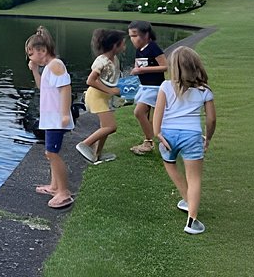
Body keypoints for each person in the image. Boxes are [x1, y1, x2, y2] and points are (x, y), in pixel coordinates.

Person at [152, 46, 216, 234]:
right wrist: (208, 138)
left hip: (168, 135)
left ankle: (187, 199)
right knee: (194, 178)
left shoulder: (165, 86)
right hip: (192, 136)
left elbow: (158, 113)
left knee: (170, 164)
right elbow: (211, 120)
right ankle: (192, 221)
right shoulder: (204, 90)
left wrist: (157, 133)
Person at [26, 26, 75, 209]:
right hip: (50, 117)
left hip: (56, 117)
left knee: (51, 153)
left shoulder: (56, 65)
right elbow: (43, 88)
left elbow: (65, 88)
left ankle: (64, 192)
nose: (29, 57)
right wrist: (35, 71)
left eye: (31, 53)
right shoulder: (48, 67)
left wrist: (64, 114)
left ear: (42, 51)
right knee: (50, 153)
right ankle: (54, 186)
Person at [76, 29, 127, 163]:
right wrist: (110, 91)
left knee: (105, 127)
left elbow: (112, 79)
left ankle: (96, 154)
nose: (125, 46)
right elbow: (90, 81)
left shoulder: (114, 59)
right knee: (110, 127)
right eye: (123, 44)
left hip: (104, 97)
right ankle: (85, 144)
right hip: (96, 97)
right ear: (115, 45)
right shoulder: (102, 61)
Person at [128, 20, 168, 155]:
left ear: (146, 35)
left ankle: (150, 140)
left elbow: (165, 66)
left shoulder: (153, 48)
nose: (132, 39)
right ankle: (150, 141)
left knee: (139, 112)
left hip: (155, 87)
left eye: (135, 35)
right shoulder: (139, 50)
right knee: (150, 117)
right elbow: (138, 66)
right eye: (130, 36)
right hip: (144, 87)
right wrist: (135, 71)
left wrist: (144, 70)